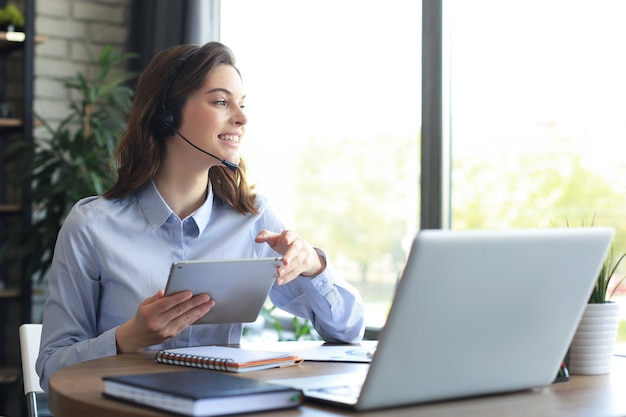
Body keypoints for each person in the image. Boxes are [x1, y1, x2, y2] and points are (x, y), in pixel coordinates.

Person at [36, 41, 365, 391]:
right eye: (221, 102)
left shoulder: (253, 219)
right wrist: (127, 337)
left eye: (242, 104)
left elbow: (348, 329)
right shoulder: (92, 226)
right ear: (167, 114)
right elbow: (51, 367)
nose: (241, 117)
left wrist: (314, 265)